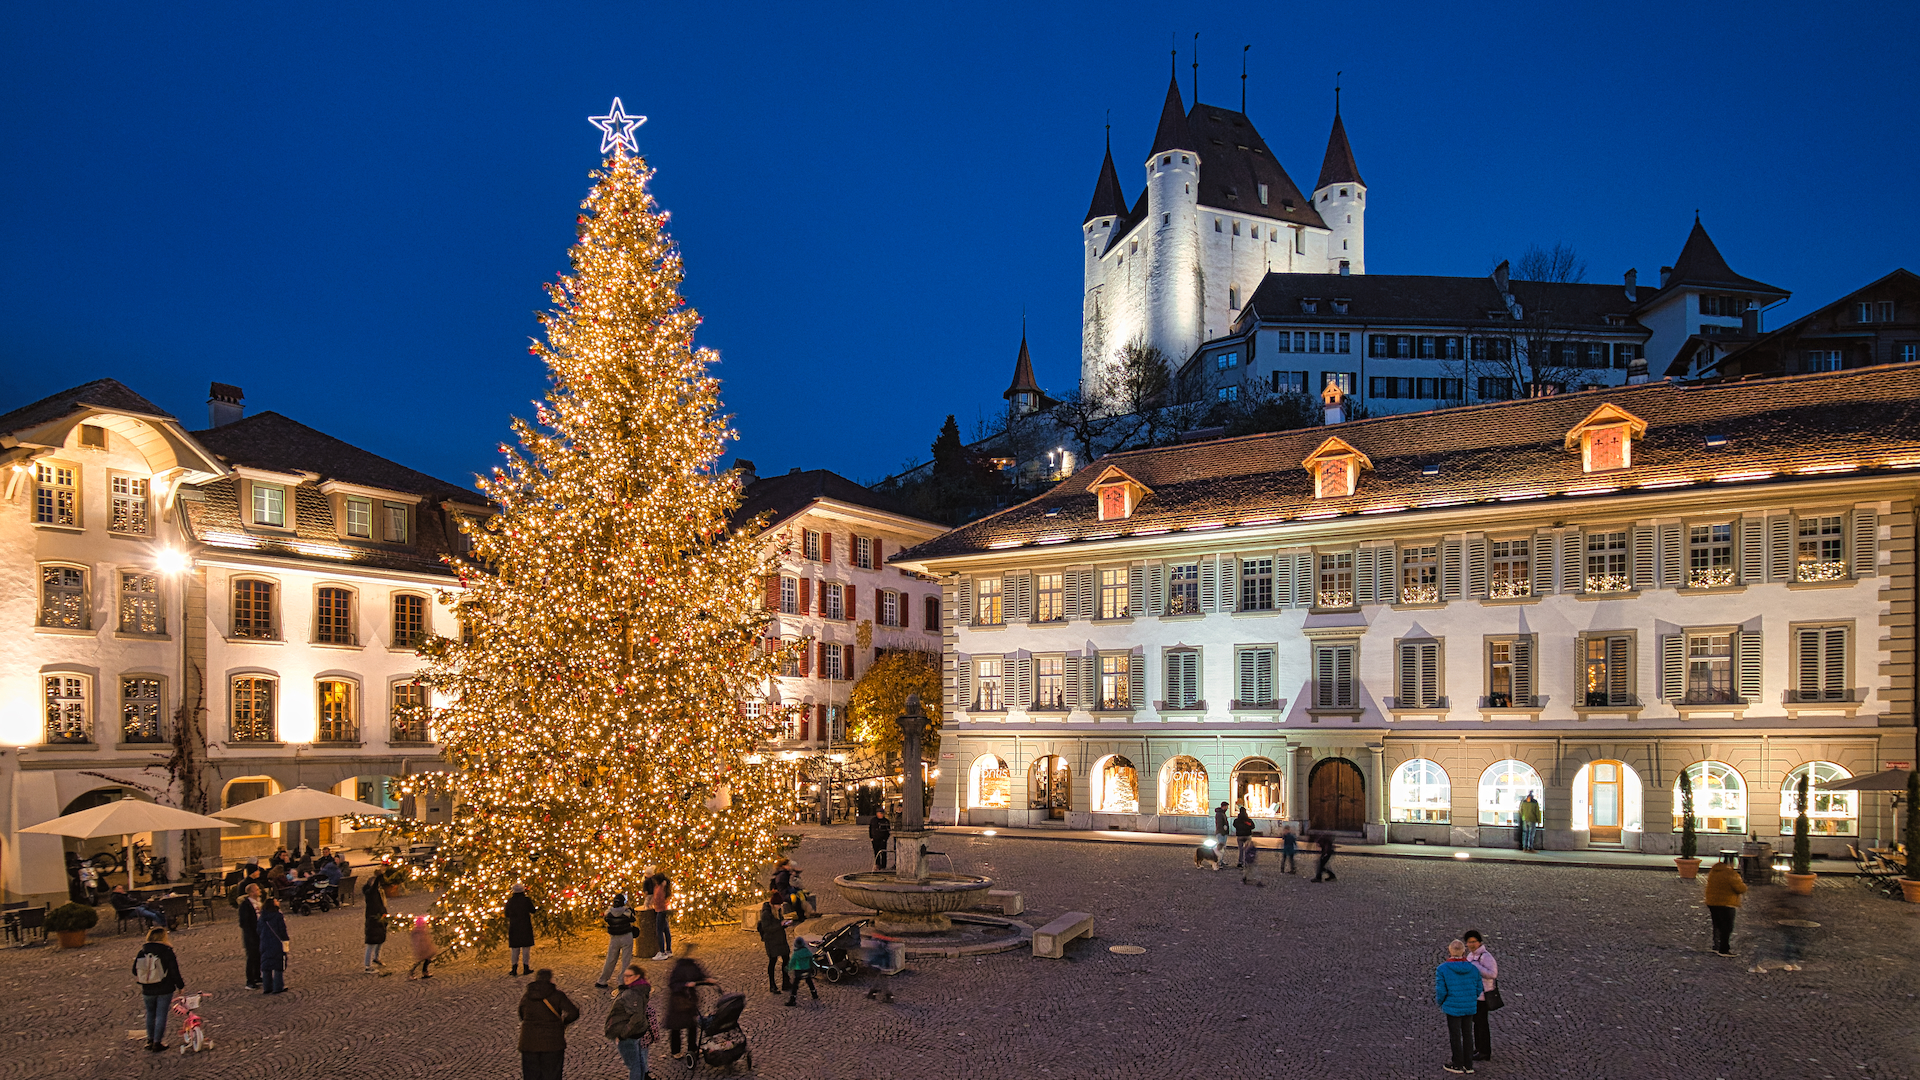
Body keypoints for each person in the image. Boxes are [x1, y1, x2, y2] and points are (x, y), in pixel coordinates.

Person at [517, 968, 580, 1080]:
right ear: (551, 979)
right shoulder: (557, 995)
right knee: (552, 1075)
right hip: (553, 1043)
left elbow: (522, 1014)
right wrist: (564, 1022)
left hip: (528, 1042)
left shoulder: (527, 996)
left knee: (531, 1075)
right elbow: (573, 1012)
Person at [133, 927, 185, 1051]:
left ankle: (149, 1040)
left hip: (147, 989)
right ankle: (157, 1042)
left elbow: (134, 970)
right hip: (164, 988)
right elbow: (174, 971)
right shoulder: (166, 951)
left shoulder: (142, 952)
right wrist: (180, 986)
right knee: (161, 1015)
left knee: (150, 1014)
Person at [1435, 939, 1481, 1073]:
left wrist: (1441, 1002)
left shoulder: (1442, 969)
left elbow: (1441, 990)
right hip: (1469, 1006)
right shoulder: (1473, 968)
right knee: (1468, 1034)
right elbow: (1478, 987)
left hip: (1452, 1006)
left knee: (1455, 1035)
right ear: (1463, 951)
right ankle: (1468, 1064)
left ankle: (1457, 1063)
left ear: (1450, 951)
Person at [605, 962, 653, 1080]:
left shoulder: (632, 994)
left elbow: (636, 1017)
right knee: (638, 1061)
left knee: (634, 1065)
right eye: (624, 975)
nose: (625, 978)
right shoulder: (640, 989)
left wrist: (622, 1035)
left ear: (637, 976)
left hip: (628, 1034)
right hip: (635, 1032)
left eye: (629, 976)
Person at [1463, 929, 1498, 1062]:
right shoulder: (1471, 956)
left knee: (1482, 1024)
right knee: (1477, 1023)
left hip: (1483, 995)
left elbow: (1493, 974)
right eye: (1469, 942)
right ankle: (1479, 1048)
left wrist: (1476, 967)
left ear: (1479, 942)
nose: (1471, 945)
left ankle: (1485, 1051)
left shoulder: (1485, 956)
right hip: (1474, 995)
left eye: (1473, 942)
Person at [1703, 855, 1748, 957]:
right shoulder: (1731, 874)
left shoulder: (1714, 871)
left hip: (1712, 902)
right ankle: (1724, 949)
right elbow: (1740, 889)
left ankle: (1716, 945)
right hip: (1727, 903)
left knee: (1717, 925)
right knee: (1727, 927)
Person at [756, 889, 793, 994]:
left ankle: (786, 982)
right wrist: (780, 925)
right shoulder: (766, 914)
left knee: (786, 959)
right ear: (773, 904)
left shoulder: (777, 911)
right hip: (771, 941)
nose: (780, 906)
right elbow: (767, 928)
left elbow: (778, 924)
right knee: (772, 962)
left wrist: (784, 924)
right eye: (779, 905)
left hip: (780, 939)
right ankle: (772, 985)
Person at [598, 893, 637, 988]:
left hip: (614, 938)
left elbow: (606, 919)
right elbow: (633, 919)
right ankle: (622, 981)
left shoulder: (609, 912)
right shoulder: (626, 912)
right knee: (626, 960)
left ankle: (602, 980)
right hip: (626, 936)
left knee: (610, 959)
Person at [257, 896, 290, 994]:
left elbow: (258, 930)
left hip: (264, 942)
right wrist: (285, 940)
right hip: (276, 942)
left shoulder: (262, 916)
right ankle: (278, 987)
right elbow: (282, 929)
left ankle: (267, 987)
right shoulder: (277, 915)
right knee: (278, 964)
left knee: (266, 964)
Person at [506, 883, 537, 976]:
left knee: (515, 949)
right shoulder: (526, 900)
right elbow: (533, 910)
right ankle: (526, 967)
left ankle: (514, 968)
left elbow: (507, 914)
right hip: (525, 926)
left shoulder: (510, 901)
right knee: (526, 948)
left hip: (514, 926)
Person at [236, 883, 263, 988]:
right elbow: (244, 922)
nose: (259, 890)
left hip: (259, 932)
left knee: (258, 955)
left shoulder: (258, 902)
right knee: (252, 956)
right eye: (257, 889)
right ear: (252, 892)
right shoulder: (245, 905)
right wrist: (251, 931)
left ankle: (257, 975)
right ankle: (250, 980)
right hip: (251, 934)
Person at [363, 875, 389, 973]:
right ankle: (367, 966)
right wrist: (381, 873)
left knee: (380, 939)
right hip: (373, 921)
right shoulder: (370, 893)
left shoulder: (377, 893)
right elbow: (375, 886)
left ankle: (376, 958)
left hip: (380, 919)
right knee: (371, 943)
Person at [784, 935, 818, 1006]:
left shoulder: (796, 953)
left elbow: (792, 962)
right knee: (809, 981)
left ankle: (792, 1000)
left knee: (795, 985)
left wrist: (788, 968)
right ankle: (814, 994)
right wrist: (811, 967)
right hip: (807, 969)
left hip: (799, 970)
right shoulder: (807, 951)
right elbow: (811, 959)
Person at [647, 873, 673, 960]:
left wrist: (654, 905)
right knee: (666, 930)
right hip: (663, 909)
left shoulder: (660, 888)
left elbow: (659, 899)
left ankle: (662, 951)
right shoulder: (663, 886)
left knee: (659, 931)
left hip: (661, 910)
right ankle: (668, 950)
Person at [407, 914, 438, 980]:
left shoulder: (422, 931)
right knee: (419, 961)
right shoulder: (418, 932)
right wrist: (423, 949)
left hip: (426, 948)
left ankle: (425, 972)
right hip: (422, 949)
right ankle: (411, 974)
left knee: (427, 960)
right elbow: (419, 942)